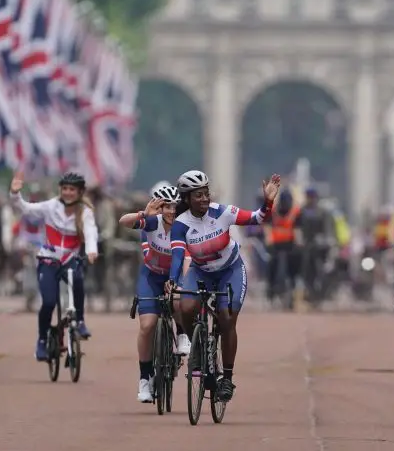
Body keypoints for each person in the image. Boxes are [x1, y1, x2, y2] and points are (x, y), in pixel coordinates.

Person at [168, 169, 281, 402]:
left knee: (226, 316)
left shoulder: (223, 212)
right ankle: (197, 350)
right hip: (201, 271)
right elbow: (178, 255)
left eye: (206, 194)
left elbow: (257, 219)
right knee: (185, 307)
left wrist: (267, 201)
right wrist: (172, 279)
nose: (204, 199)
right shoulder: (180, 224)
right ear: (187, 198)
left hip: (230, 270)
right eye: (198, 195)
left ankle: (227, 379)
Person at [9, 171, 98, 361]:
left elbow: (91, 233)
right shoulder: (51, 207)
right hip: (48, 260)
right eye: (64, 188)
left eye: (72, 189)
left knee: (79, 280)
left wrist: (92, 250)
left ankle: (80, 321)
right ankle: (42, 341)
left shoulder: (85, 212)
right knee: (49, 302)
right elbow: (26, 209)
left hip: (69, 260)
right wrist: (15, 194)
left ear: (80, 192)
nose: (67, 192)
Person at [119, 184, 192, 403]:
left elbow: (186, 259)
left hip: (174, 275)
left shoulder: (184, 227)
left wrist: (182, 282)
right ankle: (144, 379)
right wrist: (143, 213)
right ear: (159, 207)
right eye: (166, 206)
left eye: (174, 206)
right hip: (151, 277)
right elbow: (124, 221)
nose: (170, 211)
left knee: (180, 298)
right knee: (148, 325)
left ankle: (181, 334)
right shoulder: (152, 223)